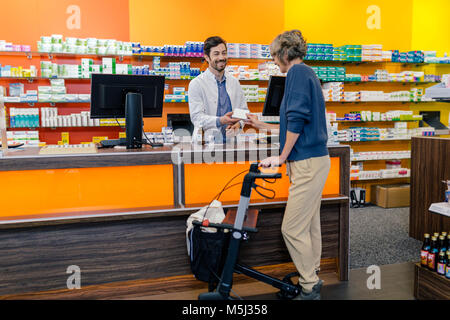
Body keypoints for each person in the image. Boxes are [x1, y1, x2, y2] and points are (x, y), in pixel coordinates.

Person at [246, 30, 330, 300]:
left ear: (284, 53)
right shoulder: (308, 73)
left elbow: (295, 120)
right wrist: (261, 125)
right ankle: (313, 273)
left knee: (291, 228)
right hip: (315, 160)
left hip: (306, 163)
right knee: (309, 224)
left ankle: (309, 285)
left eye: (273, 55)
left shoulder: (295, 74)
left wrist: (281, 158)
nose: (273, 61)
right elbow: (293, 123)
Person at [188, 36, 249, 143]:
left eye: (224, 53)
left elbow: (244, 111)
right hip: (206, 143)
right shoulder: (196, 84)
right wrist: (220, 120)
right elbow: (197, 118)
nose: (221, 57)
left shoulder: (234, 82)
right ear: (207, 57)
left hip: (232, 142)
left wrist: (239, 124)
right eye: (216, 54)